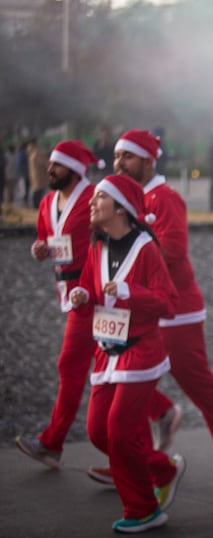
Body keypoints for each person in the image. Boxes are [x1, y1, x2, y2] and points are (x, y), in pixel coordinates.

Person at [88, 129, 213, 487]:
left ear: (149, 161)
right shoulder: (121, 201)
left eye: (127, 157)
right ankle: (135, 461)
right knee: (124, 382)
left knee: (197, 383)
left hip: (176, 310)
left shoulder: (164, 198)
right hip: (134, 309)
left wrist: (133, 261)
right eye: (117, 156)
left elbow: (174, 251)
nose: (119, 163)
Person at [69, 174, 182, 533]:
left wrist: (128, 292)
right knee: (98, 432)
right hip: (106, 352)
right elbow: (91, 288)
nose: (91, 202)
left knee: (118, 432)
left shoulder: (146, 249)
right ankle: (163, 470)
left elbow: (168, 304)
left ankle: (144, 509)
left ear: (120, 208)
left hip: (141, 354)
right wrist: (83, 297)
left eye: (100, 197)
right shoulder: (97, 246)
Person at [15, 141, 99, 468]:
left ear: (75, 169)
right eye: (50, 164)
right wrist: (40, 250)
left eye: (57, 165)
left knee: (71, 364)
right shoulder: (47, 201)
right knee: (111, 365)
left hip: (92, 292)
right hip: (68, 291)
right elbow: (48, 242)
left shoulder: (94, 198)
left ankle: (52, 442)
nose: (49, 170)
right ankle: (160, 411)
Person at [27, 138, 50, 208]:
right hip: (40, 175)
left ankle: (35, 206)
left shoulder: (30, 152)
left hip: (34, 174)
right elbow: (44, 163)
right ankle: (36, 206)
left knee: (36, 191)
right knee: (39, 192)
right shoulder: (37, 153)